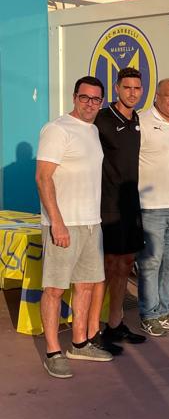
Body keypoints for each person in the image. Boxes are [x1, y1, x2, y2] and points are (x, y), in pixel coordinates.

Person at [36, 76, 112, 379]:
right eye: (84, 97)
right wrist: (57, 222)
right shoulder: (57, 129)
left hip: (91, 223)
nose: (90, 103)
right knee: (55, 289)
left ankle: (79, 344)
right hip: (64, 224)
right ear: (74, 97)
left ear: (101, 102)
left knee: (86, 285)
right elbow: (43, 177)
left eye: (96, 99)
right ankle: (53, 351)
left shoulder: (92, 130)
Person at [87, 67, 147, 353]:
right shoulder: (101, 120)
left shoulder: (137, 120)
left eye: (137, 88)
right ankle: (92, 331)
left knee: (125, 264)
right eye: (127, 88)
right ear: (117, 88)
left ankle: (115, 324)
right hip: (106, 206)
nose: (132, 93)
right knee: (106, 268)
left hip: (131, 205)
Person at [137, 79, 169, 335]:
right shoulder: (142, 121)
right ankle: (149, 314)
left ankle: (163, 310)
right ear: (156, 96)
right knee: (151, 263)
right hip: (152, 207)